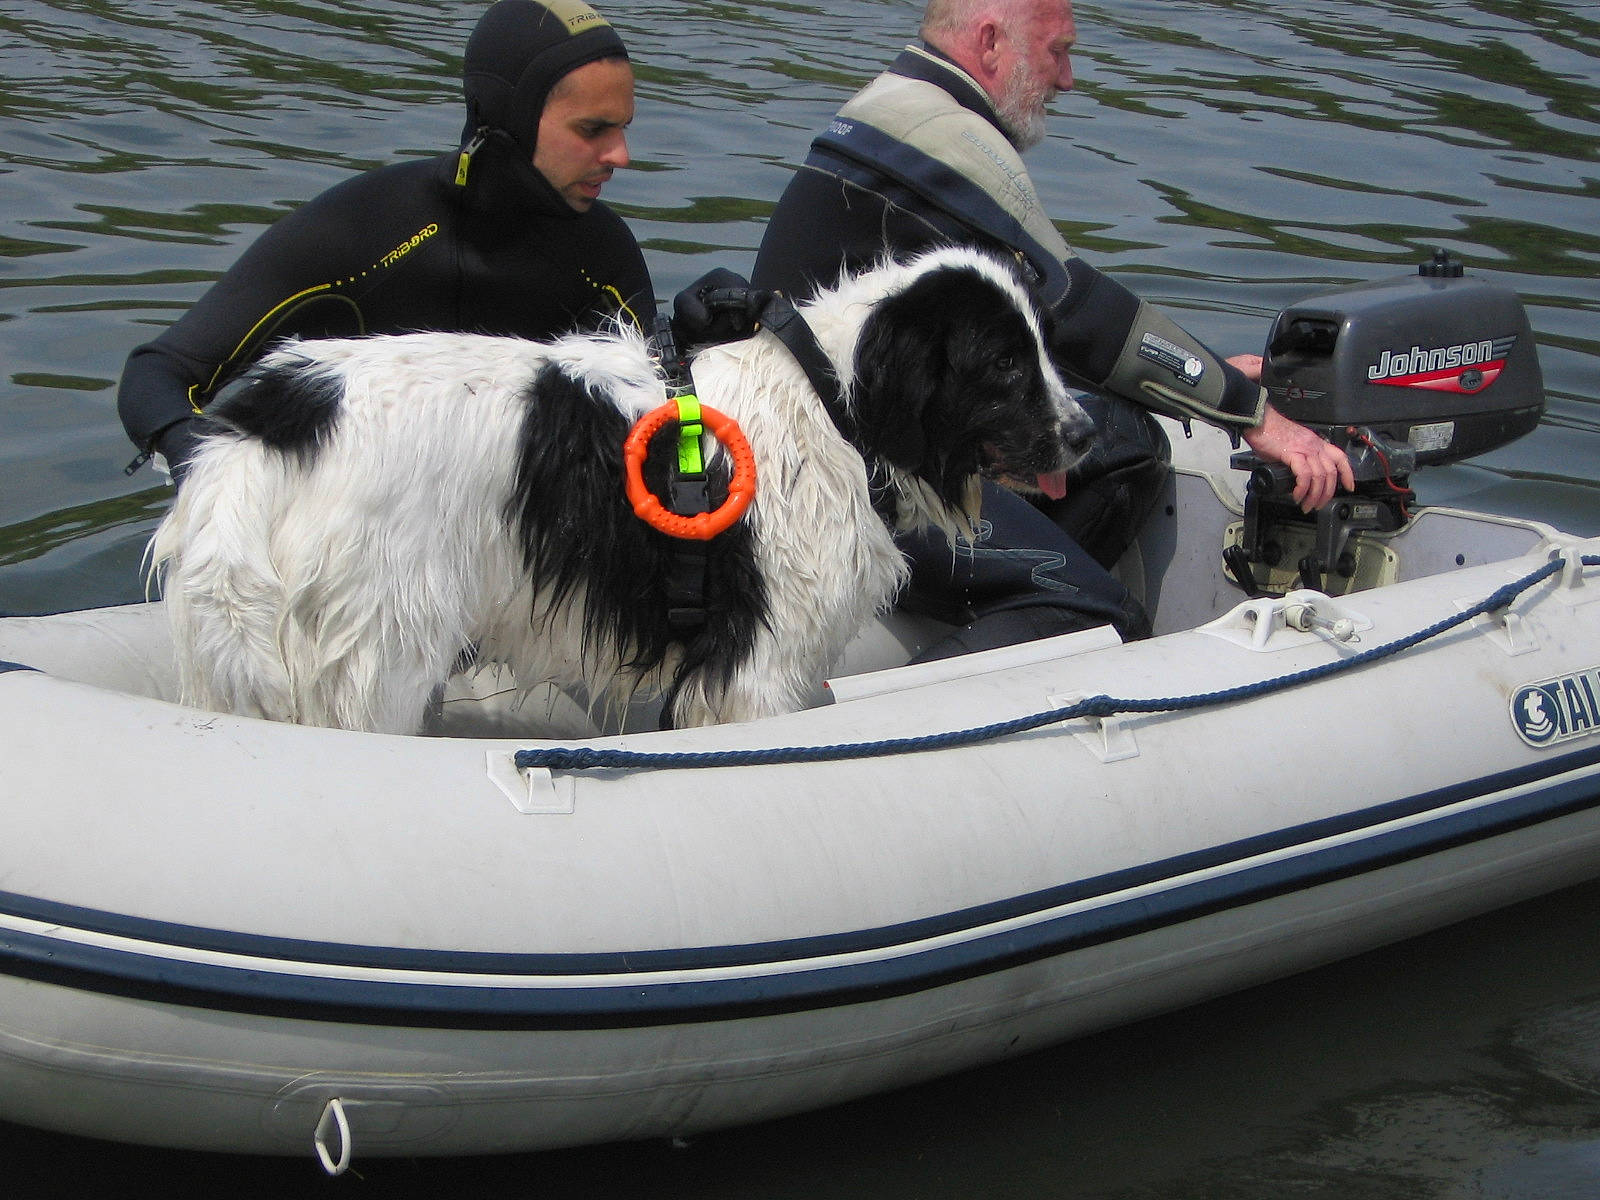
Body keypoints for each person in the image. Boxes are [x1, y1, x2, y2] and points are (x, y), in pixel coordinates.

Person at [753, 0, 1354, 656]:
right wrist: (1252, 415)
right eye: (1057, 51)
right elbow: (1076, 307)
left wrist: (1200, 384)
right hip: (848, 478)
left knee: (1130, 448)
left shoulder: (898, 102)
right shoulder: (940, 135)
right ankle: (983, 659)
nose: (1068, 78)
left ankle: (995, 606)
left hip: (847, 436)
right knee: (1104, 616)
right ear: (990, 42)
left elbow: (1017, 334)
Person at [118, 0, 654, 485]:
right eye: (593, 130)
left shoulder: (602, 256)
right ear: (510, 116)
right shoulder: (362, 229)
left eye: (623, 129)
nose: (621, 156)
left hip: (510, 551)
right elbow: (159, 374)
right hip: (349, 541)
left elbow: (663, 427)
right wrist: (211, 473)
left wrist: (700, 346)